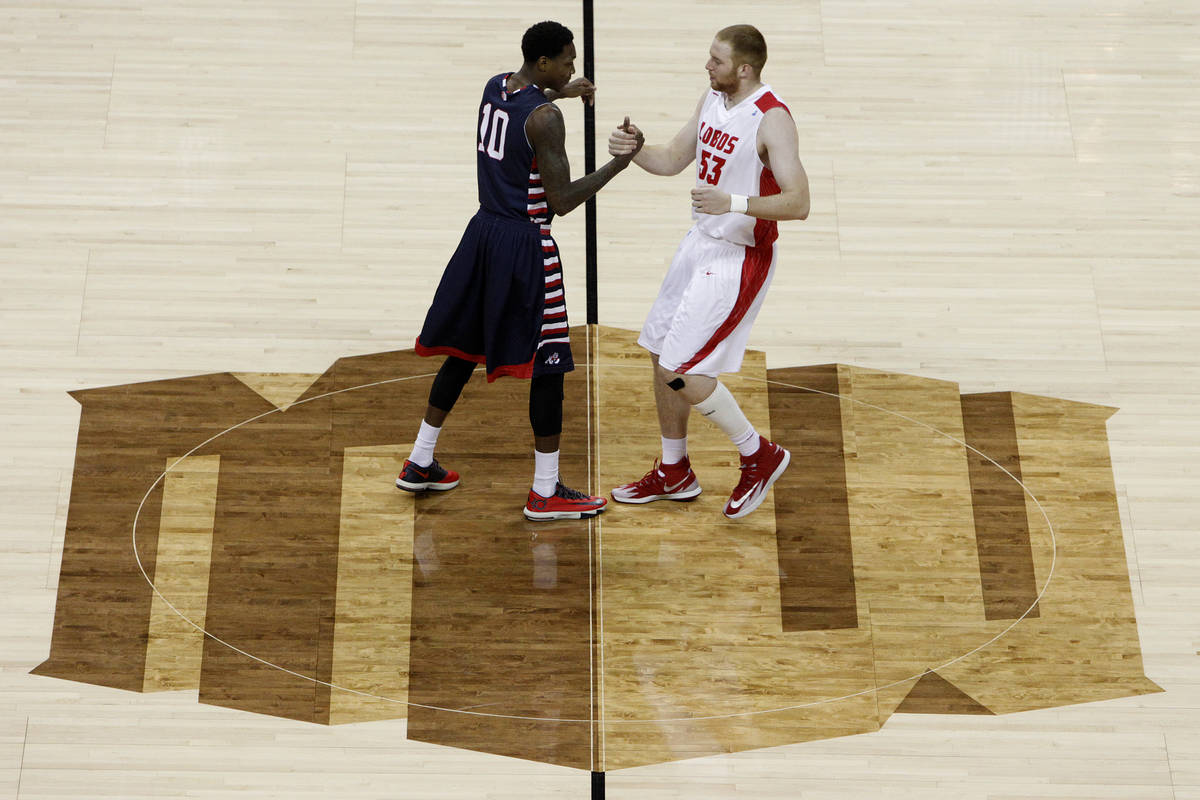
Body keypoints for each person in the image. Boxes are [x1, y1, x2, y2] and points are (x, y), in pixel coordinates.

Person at [397, 20, 644, 521]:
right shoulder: (547, 118)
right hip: (527, 246)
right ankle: (545, 491)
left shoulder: (496, 86)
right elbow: (564, 200)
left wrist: (566, 91)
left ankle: (420, 459)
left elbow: (525, 110)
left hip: (484, 234)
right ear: (545, 63)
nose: (576, 67)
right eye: (570, 61)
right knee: (550, 366)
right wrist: (621, 163)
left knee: (464, 349)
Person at [607, 24, 810, 519]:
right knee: (658, 353)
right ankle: (675, 471)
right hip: (699, 243)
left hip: (739, 257)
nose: (707, 66)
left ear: (744, 68)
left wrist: (733, 202)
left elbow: (799, 203)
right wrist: (635, 151)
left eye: (716, 61)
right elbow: (675, 158)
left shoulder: (772, 119)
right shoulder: (712, 100)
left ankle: (758, 454)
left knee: (683, 369)